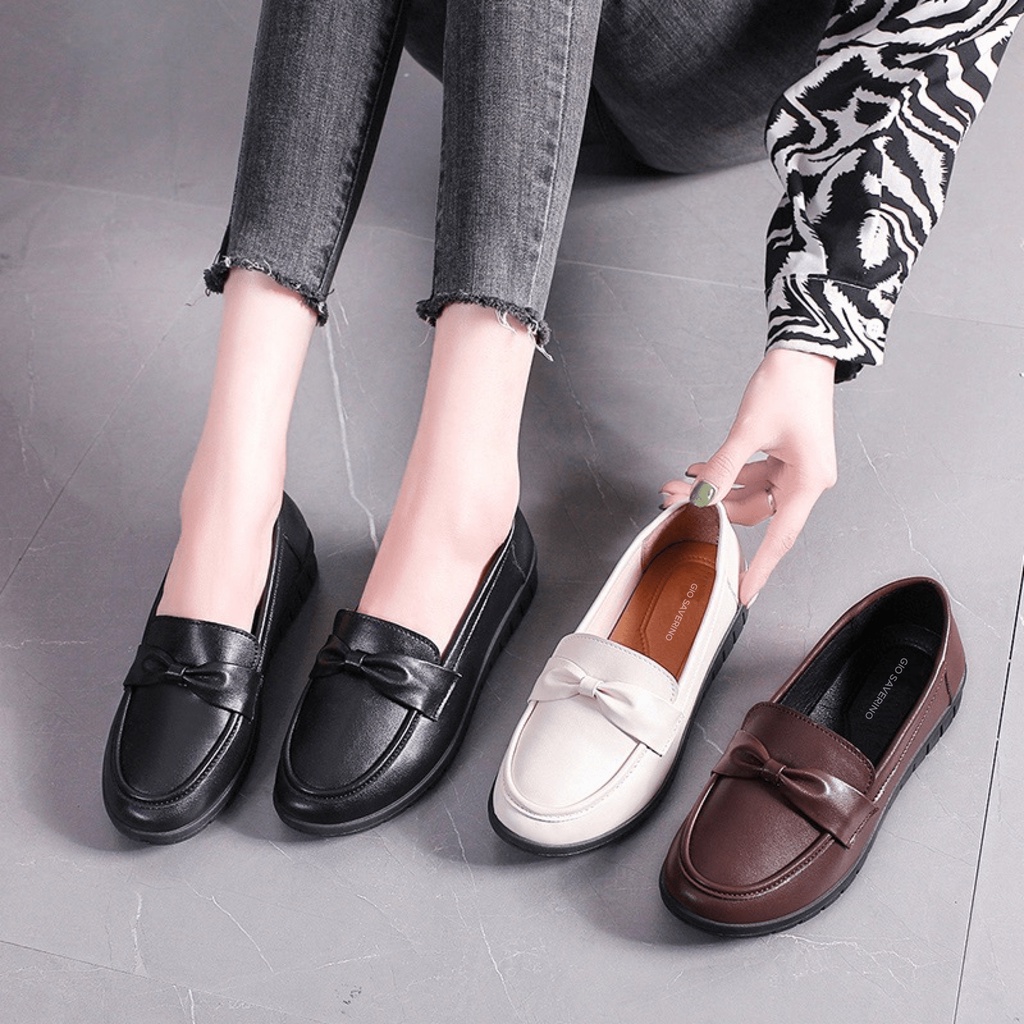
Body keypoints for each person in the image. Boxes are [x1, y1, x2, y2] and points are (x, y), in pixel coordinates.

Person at [101, 0, 1023, 843]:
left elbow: (941, 27)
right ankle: (233, 493)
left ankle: (458, 501)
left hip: (702, 62)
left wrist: (816, 332)